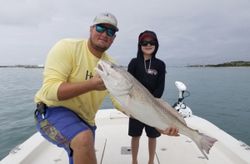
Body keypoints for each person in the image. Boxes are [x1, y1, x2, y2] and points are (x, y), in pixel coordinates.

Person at [34, 12, 178, 164]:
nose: (105, 34)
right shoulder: (66, 47)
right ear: (91, 29)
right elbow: (48, 91)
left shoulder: (110, 64)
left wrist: (158, 124)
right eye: (101, 27)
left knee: (83, 148)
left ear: (114, 38)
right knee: (84, 139)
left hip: (86, 122)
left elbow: (119, 102)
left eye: (111, 31)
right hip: (51, 112)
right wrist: (91, 85)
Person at [128, 30, 173, 164]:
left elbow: (160, 87)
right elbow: (129, 84)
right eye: (144, 42)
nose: (148, 45)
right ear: (139, 45)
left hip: (154, 108)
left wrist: (150, 103)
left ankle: (151, 161)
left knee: (152, 136)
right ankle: (134, 161)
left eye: (151, 42)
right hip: (136, 107)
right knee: (135, 136)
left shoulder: (160, 64)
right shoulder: (134, 63)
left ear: (156, 44)